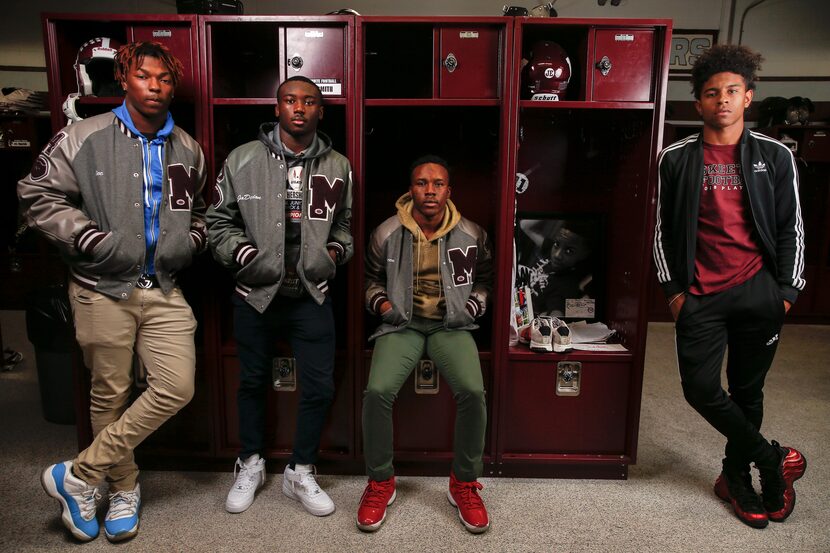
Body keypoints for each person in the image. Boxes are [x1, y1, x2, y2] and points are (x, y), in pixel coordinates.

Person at [19, 41, 207, 542]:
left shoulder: (187, 147)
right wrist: (88, 237)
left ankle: (79, 473)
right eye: (145, 76)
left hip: (162, 285)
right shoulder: (84, 134)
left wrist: (189, 240)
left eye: (165, 79)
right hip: (101, 286)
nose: (156, 87)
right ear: (125, 78)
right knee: (110, 393)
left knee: (176, 385)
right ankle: (123, 486)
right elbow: (36, 192)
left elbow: (202, 212)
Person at [652, 44, 806, 529]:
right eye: (712, 93)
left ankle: (735, 475)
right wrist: (675, 292)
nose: (722, 99)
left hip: (759, 292)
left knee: (747, 390)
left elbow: (791, 227)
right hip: (700, 295)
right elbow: (659, 229)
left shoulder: (775, 155)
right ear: (698, 103)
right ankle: (769, 456)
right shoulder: (675, 158)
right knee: (700, 388)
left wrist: (786, 292)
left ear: (748, 97)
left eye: (732, 91)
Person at [207, 76, 353, 516]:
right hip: (256, 290)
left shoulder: (338, 165)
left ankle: (300, 470)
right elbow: (217, 222)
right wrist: (244, 252)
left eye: (309, 102)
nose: (299, 109)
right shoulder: (242, 158)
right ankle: (250, 461)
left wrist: (333, 250)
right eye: (290, 100)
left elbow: (346, 224)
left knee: (319, 386)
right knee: (251, 381)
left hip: (311, 291)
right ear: (277, 107)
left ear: (320, 111)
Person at [358, 155, 494, 534]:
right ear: (411, 189)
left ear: (449, 191)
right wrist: (383, 305)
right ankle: (381, 481)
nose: (429, 190)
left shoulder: (472, 233)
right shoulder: (387, 232)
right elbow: (368, 280)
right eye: (421, 183)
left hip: (451, 325)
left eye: (437, 184)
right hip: (403, 324)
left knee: (472, 390)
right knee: (377, 391)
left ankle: (463, 482)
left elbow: (486, 279)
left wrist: (472, 304)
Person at [516, 218, 595, 317]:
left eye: (569, 251)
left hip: (521, 311)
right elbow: (524, 225)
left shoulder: (566, 285)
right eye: (557, 244)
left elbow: (556, 314)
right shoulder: (553, 250)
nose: (557, 255)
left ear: (583, 255)